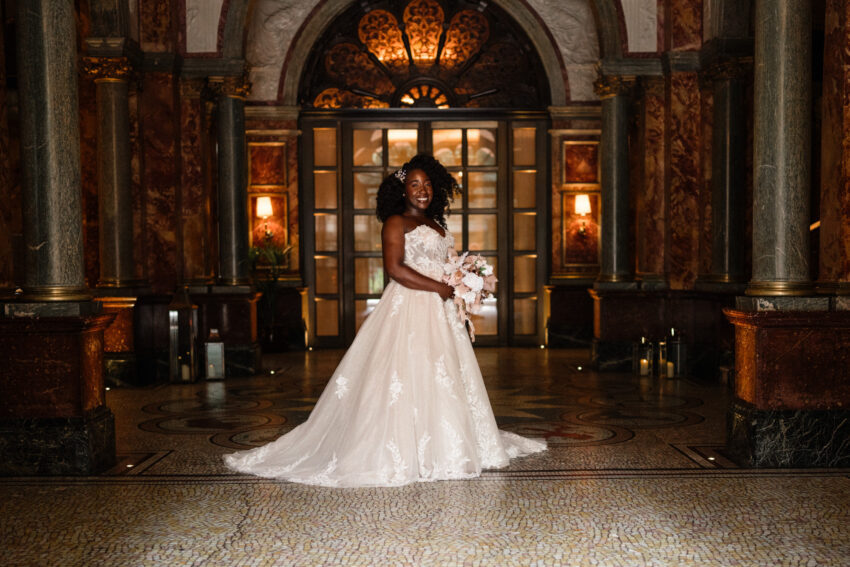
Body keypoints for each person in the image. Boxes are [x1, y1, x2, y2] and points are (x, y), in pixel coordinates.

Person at [224, 154, 545, 487]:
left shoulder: (437, 224)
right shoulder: (396, 222)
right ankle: (404, 448)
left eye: (428, 184)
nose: (423, 191)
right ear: (402, 190)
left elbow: (444, 264)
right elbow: (395, 269)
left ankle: (445, 445)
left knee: (443, 374)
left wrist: (464, 280)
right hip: (410, 305)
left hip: (440, 309)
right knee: (407, 373)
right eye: (414, 184)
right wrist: (440, 286)